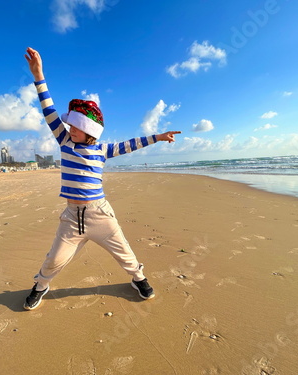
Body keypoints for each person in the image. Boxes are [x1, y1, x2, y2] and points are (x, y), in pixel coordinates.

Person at [23, 47, 181, 310]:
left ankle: (138, 278)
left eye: (75, 126)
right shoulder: (65, 142)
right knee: (55, 260)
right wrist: (39, 76)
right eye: (70, 125)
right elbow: (48, 111)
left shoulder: (102, 150)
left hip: (99, 214)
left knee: (124, 252)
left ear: (88, 131)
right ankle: (41, 285)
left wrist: (157, 136)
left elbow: (131, 144)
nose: (70, 129)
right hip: (72, 218)